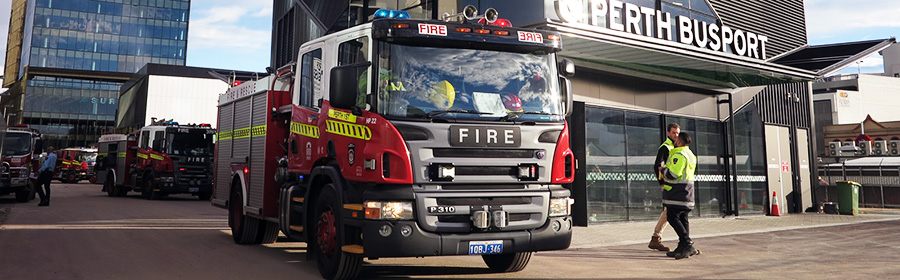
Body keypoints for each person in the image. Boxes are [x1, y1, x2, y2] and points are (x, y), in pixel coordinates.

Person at [659, 133, 699, 259]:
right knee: (683, 219)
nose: (674, 141)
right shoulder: (690, 154)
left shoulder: (679, 155)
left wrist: (663, 170)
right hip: (687, 193)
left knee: (672, 217)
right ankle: (682, 246)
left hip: (677, 193)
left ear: (680, 142)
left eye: (676, 139)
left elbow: (673, 174)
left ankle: (687, 244)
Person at [648, 123, 679, 251]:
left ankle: (656, 238)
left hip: (676, 185)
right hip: (669, 185)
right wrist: (662, 183)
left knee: (670, 213)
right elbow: (657, 166)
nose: (676, 135)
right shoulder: (665, 147)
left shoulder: (676, 147)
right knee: (670, 213)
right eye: (673, 133)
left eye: (677, 133)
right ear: (668, 133)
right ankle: (684, 241)